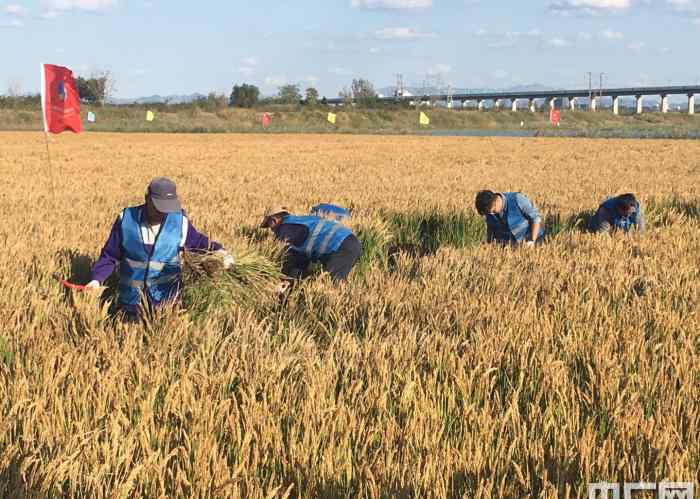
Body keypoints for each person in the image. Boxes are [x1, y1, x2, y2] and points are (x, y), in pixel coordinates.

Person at [86, 177, 233, 320]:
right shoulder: (126, 220)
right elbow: (110, 255)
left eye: (167, 208)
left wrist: (220, 253)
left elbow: (199, 243)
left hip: (166, 306)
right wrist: (96, 279)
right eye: (158, 207)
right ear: (147, 198)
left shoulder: (179, 222)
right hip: (130, 305)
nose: (162, 213)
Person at [260, 206, 362, 285]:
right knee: (335, 282)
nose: (271, 230)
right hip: (350, 242)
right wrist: (293, 278)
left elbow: (294, 258)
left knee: (332, 285)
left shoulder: (284, 230)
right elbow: (301, 257)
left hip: (339, 247)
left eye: (269, 226)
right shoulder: (300, 221)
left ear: (274, 220)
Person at [474, 190, 544, 247]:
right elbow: (491, 228)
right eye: (489, 213)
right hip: (509, 249)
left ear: (496, 201)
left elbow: (535, 218)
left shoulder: (517, 199)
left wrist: (532, 241)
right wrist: (489, 243)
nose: (492, 214)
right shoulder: (489, 211)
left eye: (493, 211)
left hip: (532, 242)